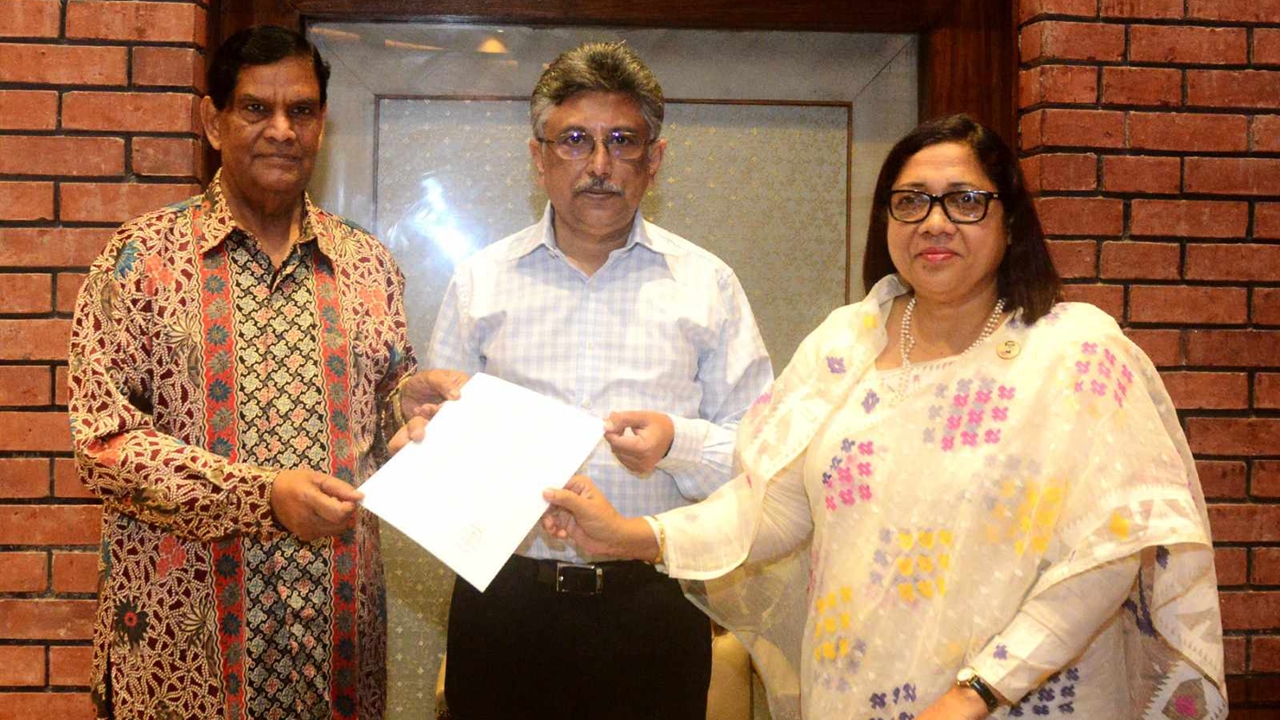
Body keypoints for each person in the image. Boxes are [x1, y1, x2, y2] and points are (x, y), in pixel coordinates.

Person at [543, 114, 1227, 720]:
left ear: (1011, 220)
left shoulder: (1076, 351)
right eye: (910, 201)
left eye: (965, 201)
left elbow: (1108, 552)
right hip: (854, 691)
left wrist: (976, 693)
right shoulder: (845, 343)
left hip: (1021, 698)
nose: (934, 222)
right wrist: (630, 534)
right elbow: (772, 508)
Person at [68, 25, 462, 720]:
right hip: (180, 660)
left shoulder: (367, 264)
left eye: (301, 110)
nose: (282, 129)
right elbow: (103, 445)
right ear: (212, 121)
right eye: (256, 108)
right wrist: (263, 496)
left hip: (335, 651)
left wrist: (407, 406)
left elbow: (379, 417)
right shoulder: (139, 260)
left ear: (321, 124)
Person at [421, 41, 773, 720]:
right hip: (504, 607)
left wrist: (677, 444)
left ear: (655, 159)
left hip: (651, 605)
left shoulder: (708, 286)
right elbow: (442, 448)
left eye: (623, 141)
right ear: (539, 156)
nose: (600, 165)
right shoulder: (479, 282)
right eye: (576, 140)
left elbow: (760, 456)